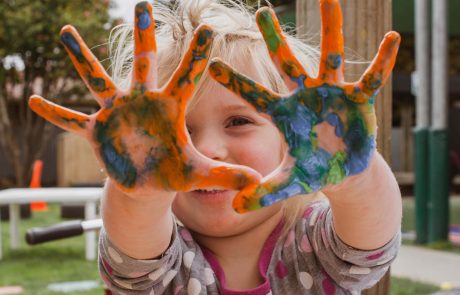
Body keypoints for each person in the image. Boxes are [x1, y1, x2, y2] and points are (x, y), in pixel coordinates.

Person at [29, 0, 402, 294]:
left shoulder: (315, 242)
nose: (207, 149)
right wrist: (140, 195)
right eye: (177, 133)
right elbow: (134, 239)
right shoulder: (161, 261)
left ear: (293, 137)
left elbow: (371, 240)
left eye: (238, 122)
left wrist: (355, 177)